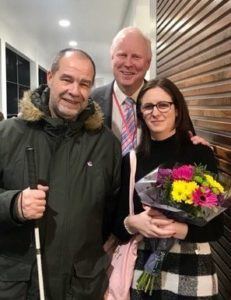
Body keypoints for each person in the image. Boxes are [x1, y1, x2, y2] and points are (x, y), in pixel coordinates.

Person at [0, 48, 121, 300]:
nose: (75, 91)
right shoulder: (8, 134)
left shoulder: (106, 144)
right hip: (18, 287)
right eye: (67, 79)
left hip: (79, 287)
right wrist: (12, 204)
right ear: (50, 77)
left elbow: (112, 211)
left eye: (84, 84)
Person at [112, 77, 223, 299]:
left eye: (163, 104)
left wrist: (176, 229)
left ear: (177, 109)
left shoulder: (200, 153)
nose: (156, 112)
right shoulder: (132, 160)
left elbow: (215, 228)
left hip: (192, 261)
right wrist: (133, 222)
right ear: (141, 113)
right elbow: (117, 225)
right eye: (148, 106)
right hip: (144, 260)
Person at [91, 27, 208, 154]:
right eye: (122, 55)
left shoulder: (166, 100)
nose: (128, 63)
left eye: (136, 57)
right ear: (112, 58)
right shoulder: (92, 101)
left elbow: (186, 139)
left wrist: (199, 150)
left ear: (148, 63)